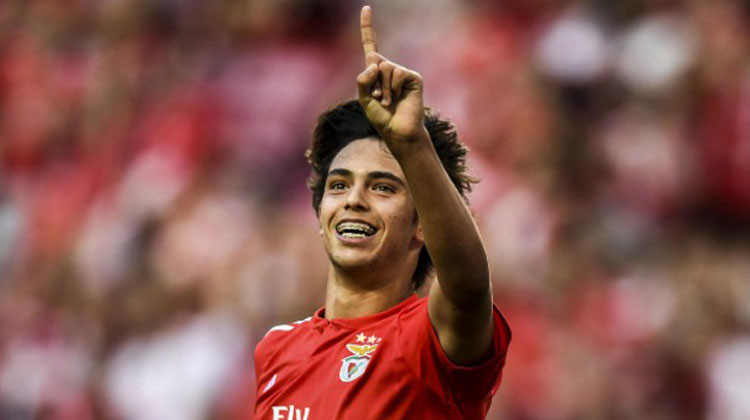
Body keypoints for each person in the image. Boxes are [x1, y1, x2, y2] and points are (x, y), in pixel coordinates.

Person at [253, 6, 511, 419]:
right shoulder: (277, 349)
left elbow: (468, 285)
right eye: (339, 185)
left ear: (422, 225)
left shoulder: (431, 337)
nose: (354, 200)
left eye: (382, 187)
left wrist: (410, 142)